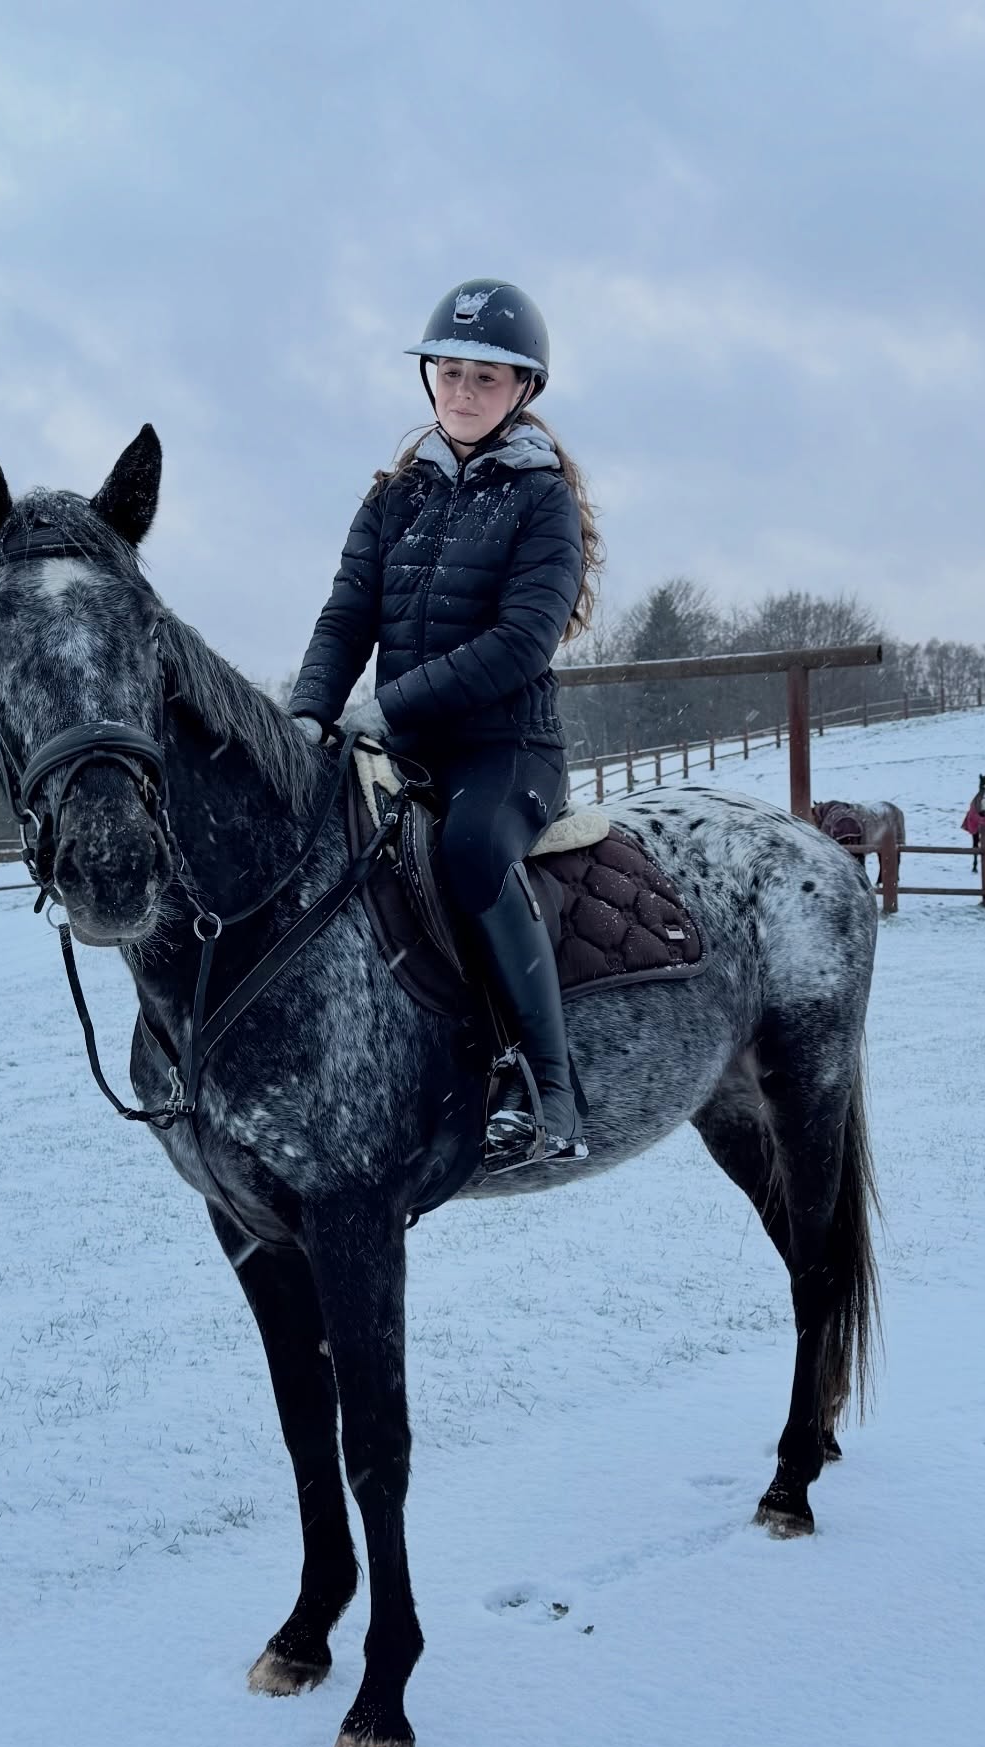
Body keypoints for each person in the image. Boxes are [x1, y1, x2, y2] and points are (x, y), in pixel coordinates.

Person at [288, 278, 603, 1163]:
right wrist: (309, 715)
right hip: (401, 745)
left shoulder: (542, 503)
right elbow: (346, 618)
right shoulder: (393, 498)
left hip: (506, 749)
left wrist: (384, 707)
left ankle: (550, 1090)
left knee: (467, 852)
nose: (463, 393)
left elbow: (520, 642)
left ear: (524, 392)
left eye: (487, 379)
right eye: (451, 373)